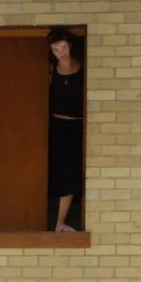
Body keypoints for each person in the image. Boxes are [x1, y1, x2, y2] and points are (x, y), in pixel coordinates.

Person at [46, 27, 85, 232]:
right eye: (55, 49)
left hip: (77, 125)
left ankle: (61, 222)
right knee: (57, 171)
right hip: (57, 126)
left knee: (73, 172)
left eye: (63, 47)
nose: (61, 52)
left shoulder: (83, 67)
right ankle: (57, 222)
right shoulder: (51, 70)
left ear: (69, 44)